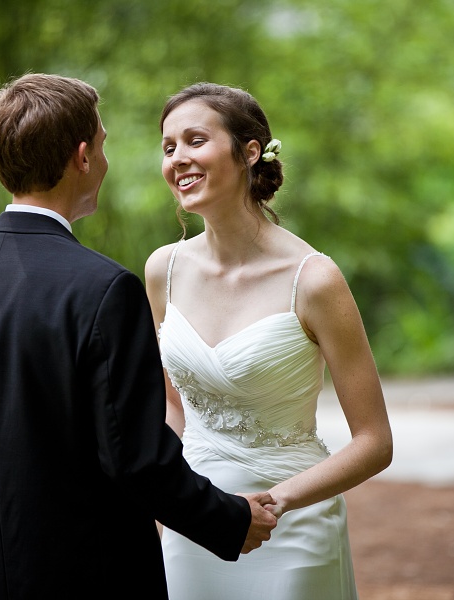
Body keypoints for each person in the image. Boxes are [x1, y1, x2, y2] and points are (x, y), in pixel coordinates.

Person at [0, 73, 277, 599]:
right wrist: (229, 518)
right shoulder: (103, 289)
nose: (105, 161)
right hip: (99, 573)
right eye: (103, 145)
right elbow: (136, 459)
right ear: (83, 156)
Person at [144, 82, 393, 599]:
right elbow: (171, 404)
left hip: (292, 525)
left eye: (194, 141)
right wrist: (165, 498)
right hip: (196, 522)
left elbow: (374, 442)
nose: (178, 159)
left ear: (249, 152)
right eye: (169, 148)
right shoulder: (162, 270)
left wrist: (273, 503)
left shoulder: (314, 279)